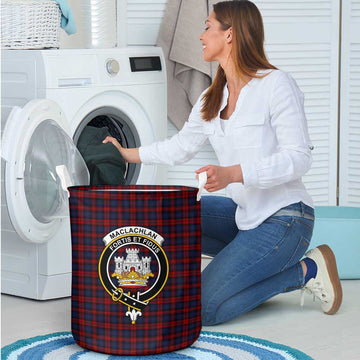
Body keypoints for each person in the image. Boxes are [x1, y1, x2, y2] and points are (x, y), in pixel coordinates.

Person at [103, 0, 342, 326]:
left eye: (207, 27)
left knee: (203, 309)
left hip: (286, 219)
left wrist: (234, 174)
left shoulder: (275, 84)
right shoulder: (211, 97)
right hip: (245, 216)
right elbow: (180, 147)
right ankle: (217, 275)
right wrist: (126, 152)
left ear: (229, 35)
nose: (200, 36)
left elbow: (299, 158)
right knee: (167, 215)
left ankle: (305, 271)